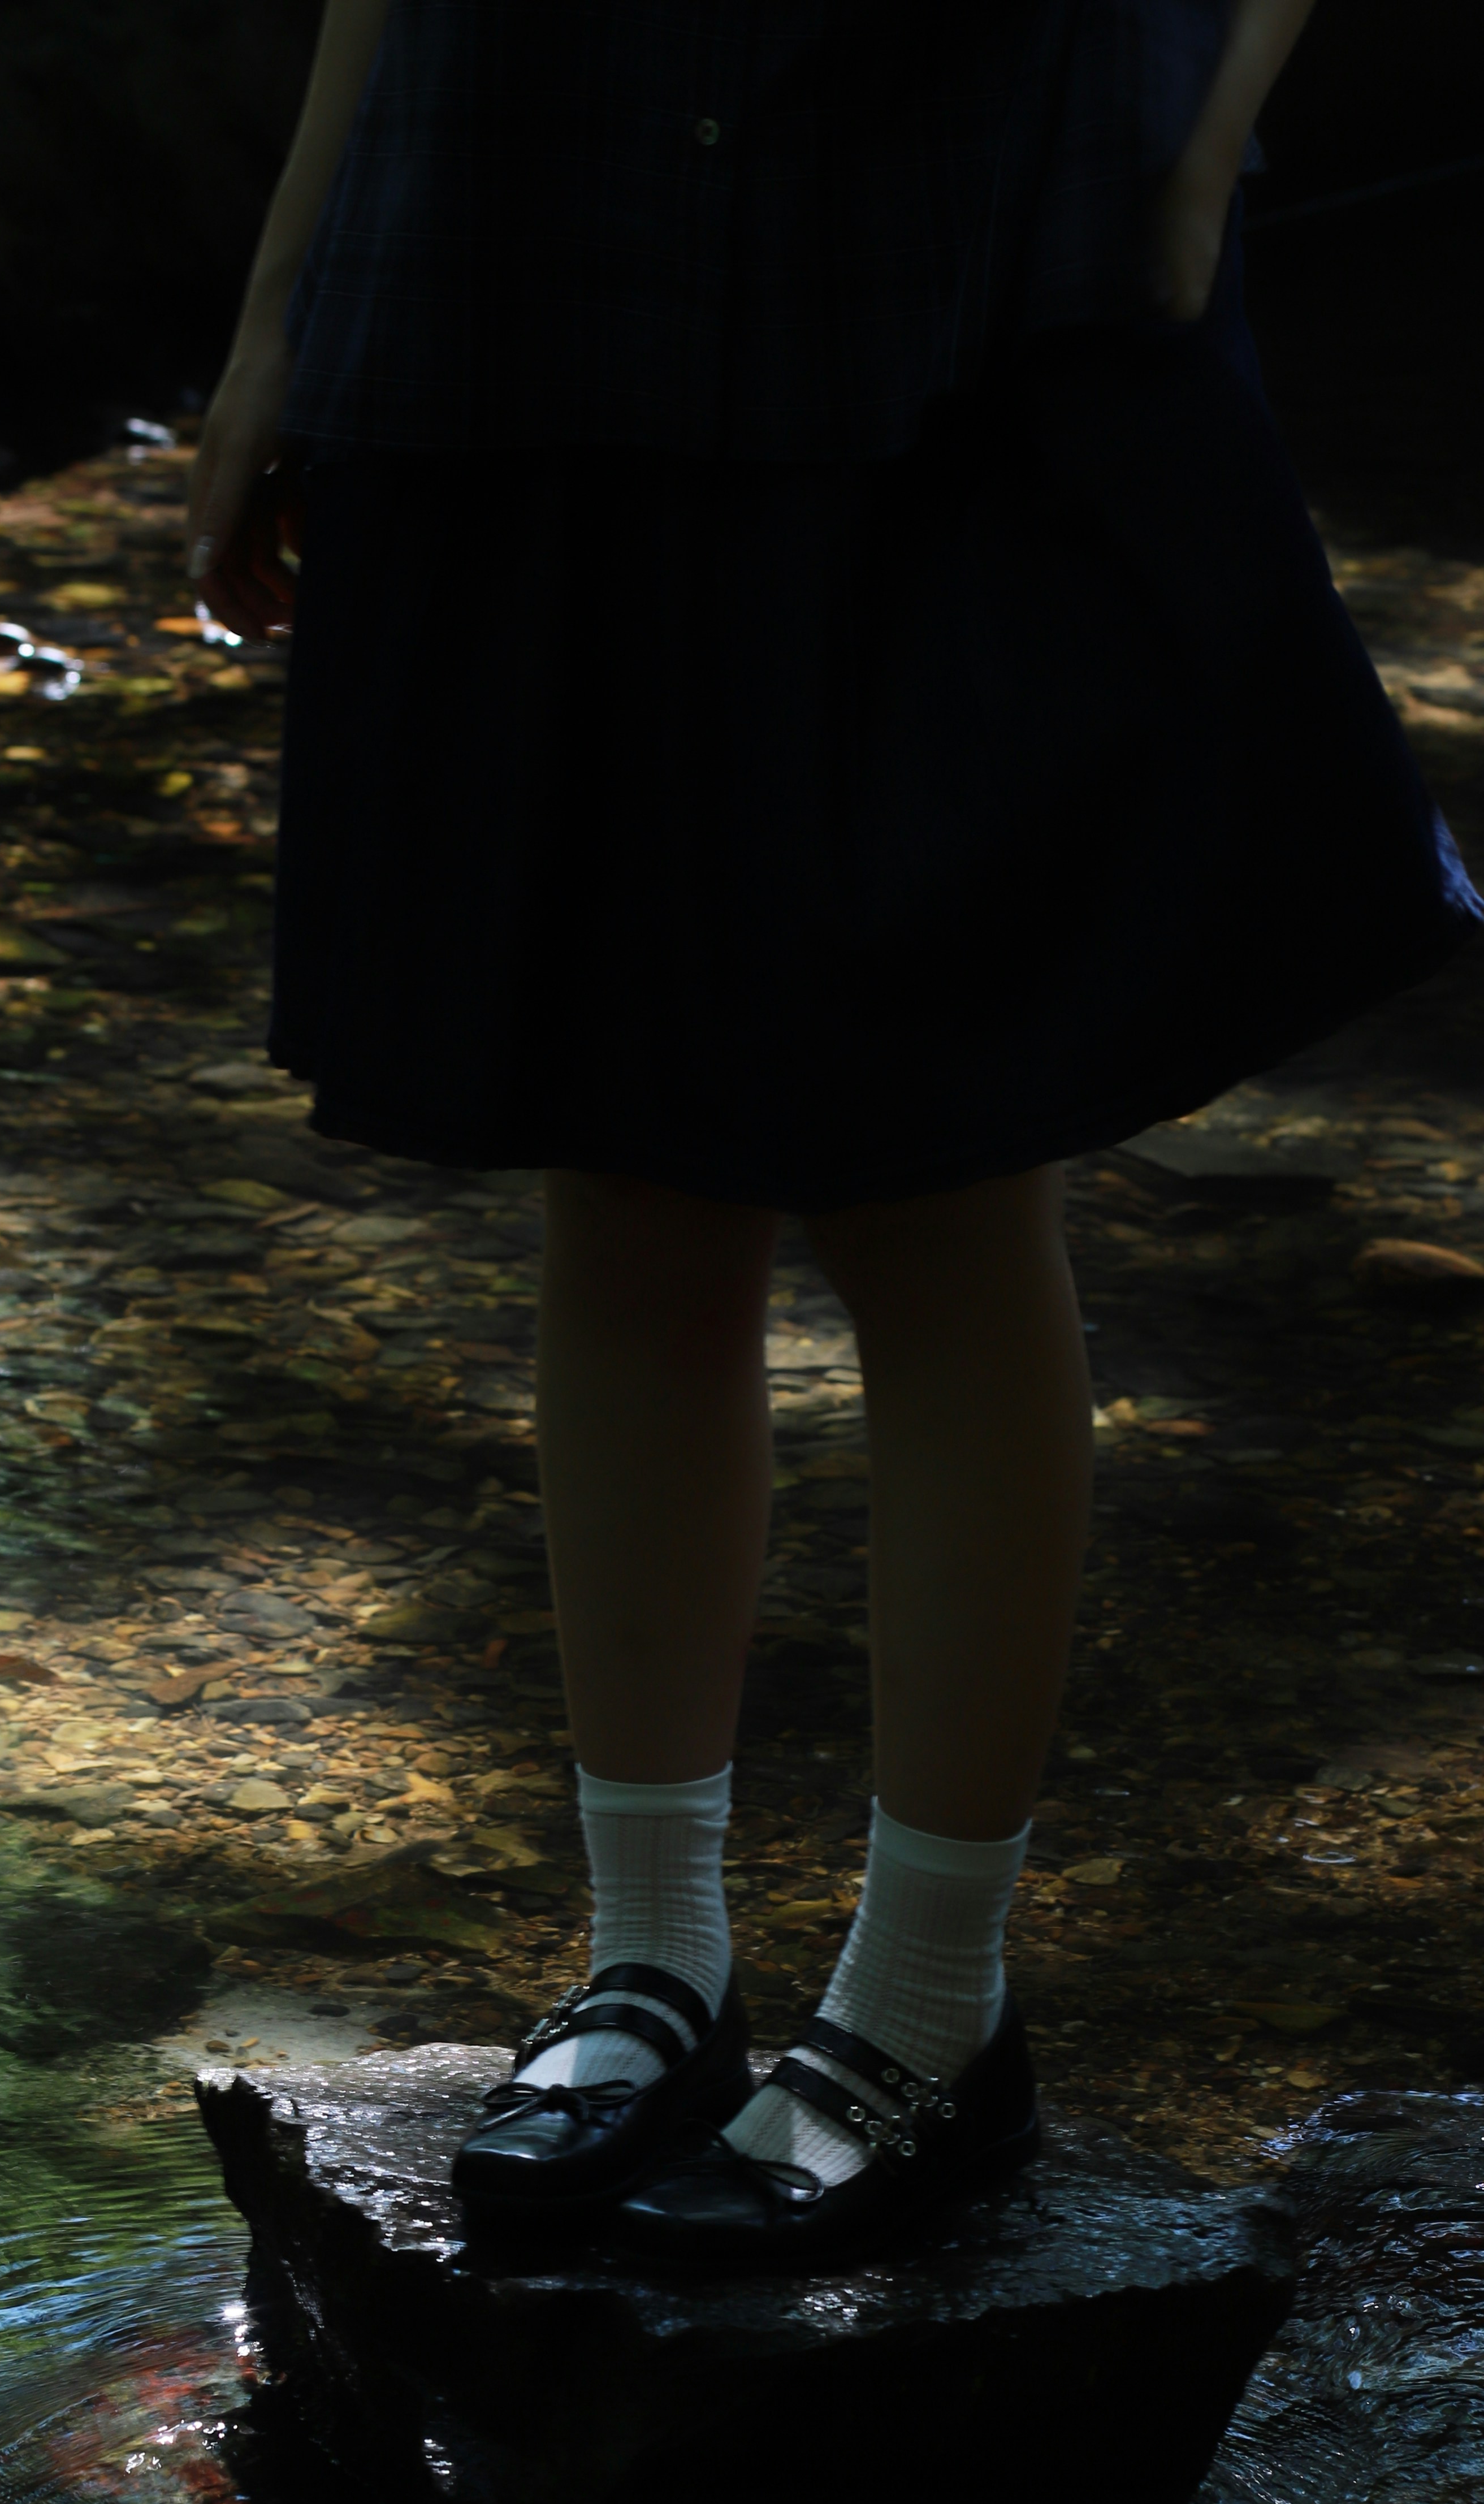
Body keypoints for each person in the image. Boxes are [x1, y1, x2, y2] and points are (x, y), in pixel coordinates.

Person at [186, 0, 1478, 2274]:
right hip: (528, 216)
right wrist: (297, 300)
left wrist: (1192, 146)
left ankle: (924, 2006)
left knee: (929, 1169)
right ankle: (650, 1959)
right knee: (621, 1157)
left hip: (957, 239)